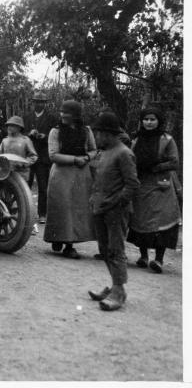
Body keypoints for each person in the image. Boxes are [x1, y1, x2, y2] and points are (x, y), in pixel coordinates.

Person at [88, 112, 139, 311]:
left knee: (116, 251)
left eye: (98, 133)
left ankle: (118, 291)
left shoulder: (124, 153)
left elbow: (132, 185)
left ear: (108, 134)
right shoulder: (104, 152)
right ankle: (115, 286)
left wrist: (116, 203)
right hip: (100, 208)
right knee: (104, 249)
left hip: (115, 211)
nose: (96, 137)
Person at [127, 107, 181, 273]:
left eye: (153, 119)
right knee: (141, 220)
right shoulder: (136, 140)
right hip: (141, 185)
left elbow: (174, 162)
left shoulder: (167, 140)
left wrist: (156, 166)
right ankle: (143, 256)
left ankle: (158, 259)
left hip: (160, 186)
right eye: (146, 119)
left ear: (159, 121)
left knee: (161, 222)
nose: (149, 123)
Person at [43, 100, 97, 259]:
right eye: (62, 112)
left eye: (67, 113)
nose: (63, 115)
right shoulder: (55, 131)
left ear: (76, 115)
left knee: (76, 209)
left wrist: (87, 157)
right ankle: (57, 237)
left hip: (81, 175)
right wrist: (74, 159)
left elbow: (94, 150)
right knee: (62, 208)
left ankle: (69, 245)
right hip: (61, 175)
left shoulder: (86, 131)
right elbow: (53, 155)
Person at [0, 115, 38, 234]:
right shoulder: (4, 141)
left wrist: (25, 163)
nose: (10, 127)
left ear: (19, 128)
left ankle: (31, 224)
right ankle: (8, 222)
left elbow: (33, 156)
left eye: (13, 125)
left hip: (21, 175)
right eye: (9, 125)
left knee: (24, 200)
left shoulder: (25, 141)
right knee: (5, 199)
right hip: (6, 174)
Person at [24, 91, 58, 225]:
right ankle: (26, 211)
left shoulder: (52, 118)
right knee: (26, 184)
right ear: (33, 102)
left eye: (42, 102)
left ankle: (42, 214)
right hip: (28, 155)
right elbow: (21, 134)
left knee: (43, 186)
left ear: (45, 103)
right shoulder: (26, 117)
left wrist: (44, 136)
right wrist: (29, 133)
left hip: (43, 156)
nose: (39, 104)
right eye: (37, 101)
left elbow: (55, 135)